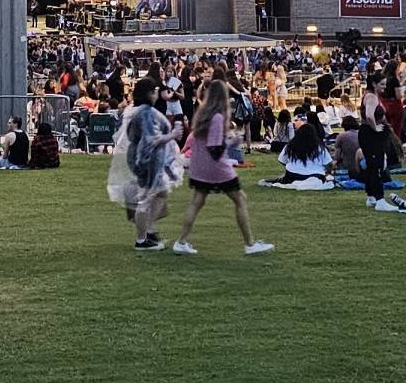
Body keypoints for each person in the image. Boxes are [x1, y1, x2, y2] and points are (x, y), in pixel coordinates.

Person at [170, 81, 270, 255]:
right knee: (240, 199)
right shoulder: (217, 117)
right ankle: (250, 244)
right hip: (216, 167)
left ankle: (181, 241)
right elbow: (215, 147)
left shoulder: (202, 113)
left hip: (199, 166)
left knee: (196, 202)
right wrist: (232, 141)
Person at [108, 79, 183, 251]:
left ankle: (148, 230)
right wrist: (172, 135)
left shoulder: (138, 111)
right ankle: (142, 239)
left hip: (142, 158)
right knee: (147, 198)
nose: (158, 94)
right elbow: (151, 140)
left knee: (160, 192)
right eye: (156, 90)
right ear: (150, 93)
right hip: (147, 160)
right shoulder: (146, 113)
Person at [272, 115, 332, 185]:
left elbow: (282, 160)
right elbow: (328, 163)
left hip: (293, 175)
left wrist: (293, 166)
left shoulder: (290, 146)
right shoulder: (320, 147)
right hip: (316, 175)